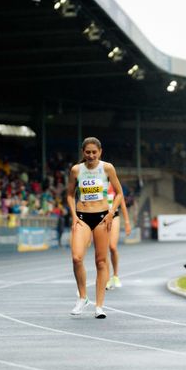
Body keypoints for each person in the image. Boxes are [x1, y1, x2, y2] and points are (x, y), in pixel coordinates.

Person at [67, 137, 123, 319]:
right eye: (87, 152)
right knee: (76, 257)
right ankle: (83, 297)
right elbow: (69, 194)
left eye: (94, 152)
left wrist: (111, 212)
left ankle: (99, 306)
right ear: (83, 152)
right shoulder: (76, 170)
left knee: (101, 261)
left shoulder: (107, 168)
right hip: (82, 217)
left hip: (101, 217)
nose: (91, 155)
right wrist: (74, 215)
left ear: (100, 152)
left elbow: (120, 193)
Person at [105, 182, 131, 290]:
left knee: (112, 247)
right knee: (103, 250)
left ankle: (115, 275)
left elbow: (123, 204)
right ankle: (106, 279)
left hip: (114, 216)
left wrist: (127, 222)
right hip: (100, 217)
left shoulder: (114, 185)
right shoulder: (96, 183)